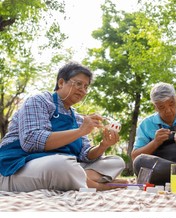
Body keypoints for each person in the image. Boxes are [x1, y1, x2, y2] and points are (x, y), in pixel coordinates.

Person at [0, 61, 126, 192]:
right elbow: (31, 141)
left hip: (61, 168)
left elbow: (85, 155)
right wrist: (80, 131)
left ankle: (79, 179)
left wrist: (103, 145)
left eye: (86, 87)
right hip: (18, 166)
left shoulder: (77, 118)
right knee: (62, 164)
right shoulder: (39, 101)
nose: (83, 90)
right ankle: (97, 185)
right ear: (61, 83)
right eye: (78, 84)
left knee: (116, 162)